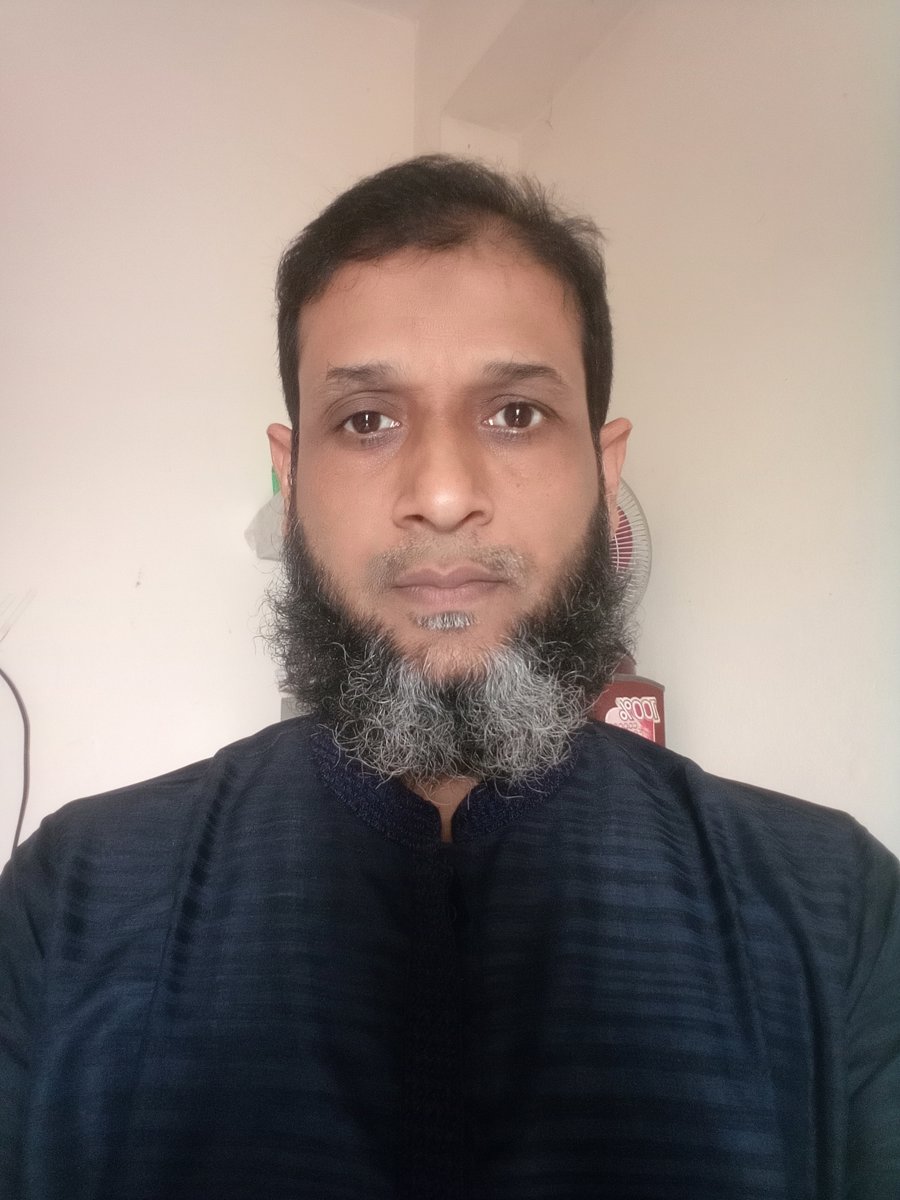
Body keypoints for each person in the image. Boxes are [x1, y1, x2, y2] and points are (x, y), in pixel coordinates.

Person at [0, 156, 897, 1200]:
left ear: (605, 471)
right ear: (291, 478)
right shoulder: (76, 898)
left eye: (514, 412)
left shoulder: (835, 909)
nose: (439, 493)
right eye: (366, 420)